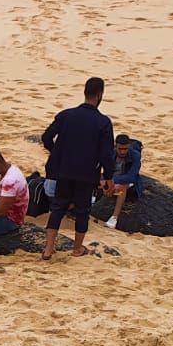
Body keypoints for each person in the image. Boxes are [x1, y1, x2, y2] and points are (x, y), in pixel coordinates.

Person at [40, 77, 116, 260]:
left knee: (58, 207)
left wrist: (58, 154)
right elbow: (107, 153)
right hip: (87, 173)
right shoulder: (103, 122)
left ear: (85, 92)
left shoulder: (66, 115)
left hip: (63, 171)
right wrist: (109, 176)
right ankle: (77, 249)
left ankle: (49, 248)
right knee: (82, 210)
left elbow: (46, 137)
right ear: (100, 94)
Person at [105, 133, 143, 229]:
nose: (122, 152)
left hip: (128, 182)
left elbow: (131, 177)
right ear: (115, 146)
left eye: (125, 149)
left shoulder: (135, 155)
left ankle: (115, 217)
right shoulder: (110, 152)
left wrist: (112, 181)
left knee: (122, 187)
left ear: (129, 147)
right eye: (120, 149)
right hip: (112, 177)